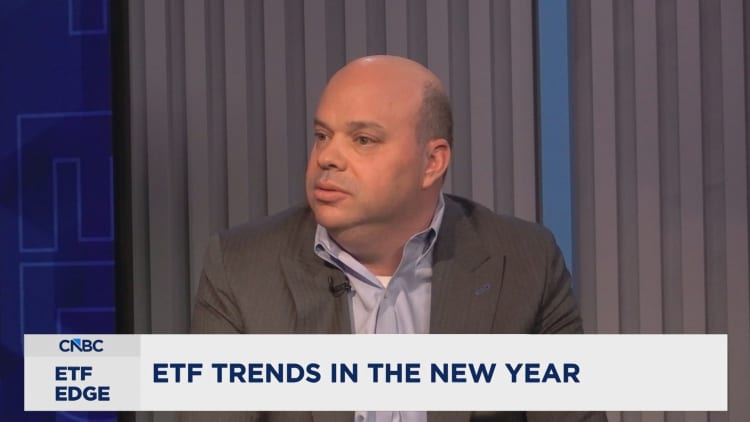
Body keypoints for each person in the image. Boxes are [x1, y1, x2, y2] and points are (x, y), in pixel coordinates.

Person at [188, 55, 607, 422]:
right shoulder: (241, 269)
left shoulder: (524, 262)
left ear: (432, 162)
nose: (327, 157)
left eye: (363, 140)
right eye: (322, 136)